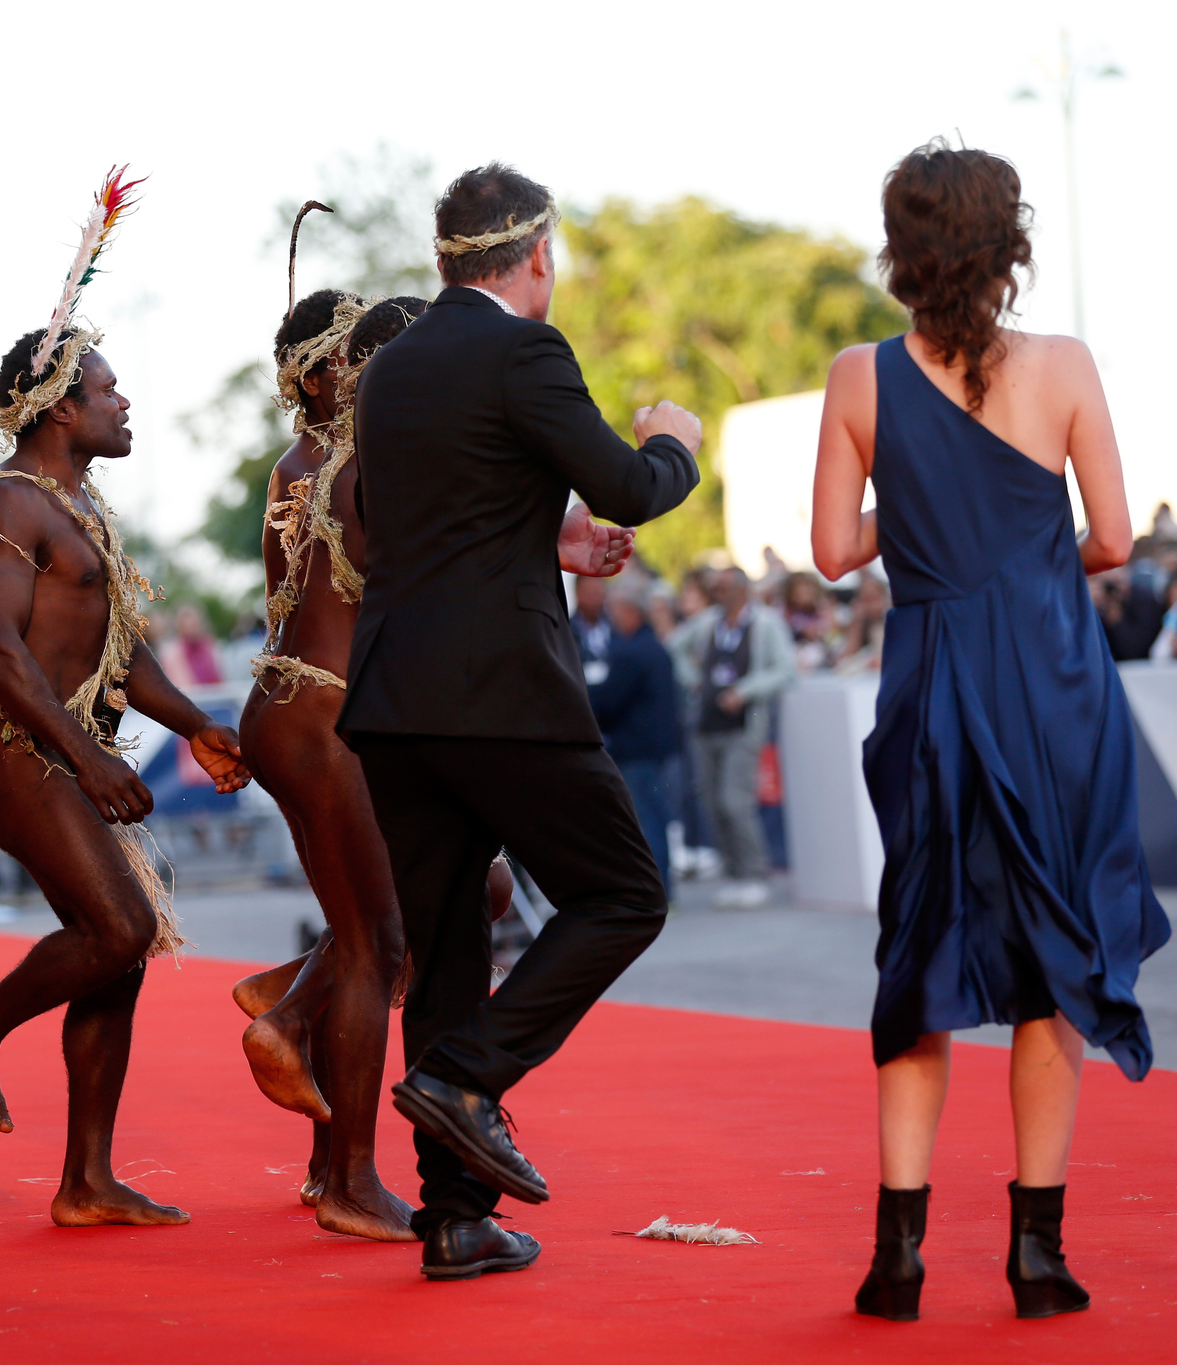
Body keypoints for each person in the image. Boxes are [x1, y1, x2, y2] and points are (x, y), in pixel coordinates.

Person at [813, 142, 1171, 1322]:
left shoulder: (857, 376)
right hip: (1053, 676)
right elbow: (1113, 541)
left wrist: (913, 507)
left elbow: (831, 552)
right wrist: (1026, 572)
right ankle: (1035, 1253)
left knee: (920, 947)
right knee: (1047, 963)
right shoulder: (1062, 364)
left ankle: (895, 1257)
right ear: (1006, 242)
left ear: (897, 252)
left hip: (929, 677)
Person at [340, 162, 700, 1280]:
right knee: (623, 892)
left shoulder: (388, 371)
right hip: (498, 693)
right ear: (535, 256)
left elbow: (419, 523)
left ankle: (453, 1220)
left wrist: (548, 543)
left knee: (445, 947)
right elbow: (630, 489)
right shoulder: (523, 350)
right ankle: (467, 1078)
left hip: (397, 694)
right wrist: (671, 440)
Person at [0, 170, 251, 1228]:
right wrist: (94, 760)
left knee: (116, 950)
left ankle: (85, 1181)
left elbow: (119, 659)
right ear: (61, 407)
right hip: (16, 754)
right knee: (115, 929)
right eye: (107, 391)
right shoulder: (6, 504)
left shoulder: (79, 506)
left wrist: (195, 722)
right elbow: (7, 661)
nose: (124, 404)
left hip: (62, 752)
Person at [228, 290, 429, 1241]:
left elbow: (281, 599)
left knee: (406, 917)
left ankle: (297, 1011)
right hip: (331, 712)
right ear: (316, 375)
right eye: (350, 357)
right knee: (378, 941)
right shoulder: (371, 460)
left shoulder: (291, 466)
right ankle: (350, 1176)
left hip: (281, 702)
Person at [667, 566, 796, 906]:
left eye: (723, 587)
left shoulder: (765, 622)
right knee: (712, 803)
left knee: (734, 800)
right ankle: (735, 872)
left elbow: (785, 669)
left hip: (745, 723)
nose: (717, 593)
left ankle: (755, 872)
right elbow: (674, 648)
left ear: (741, 589)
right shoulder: (708, 622)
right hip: (708, 723)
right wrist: (693, 678)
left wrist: (746, 690)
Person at [588, 581, 683, 897]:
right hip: (652, 750)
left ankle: (656, 891)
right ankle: (660, 890)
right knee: (652, 816)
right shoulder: (651, 647)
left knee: (647, 819)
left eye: (614, 608)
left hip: (638, 751)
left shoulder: (632, 652)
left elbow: (608, 700)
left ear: (629, 611)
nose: (610, 615)